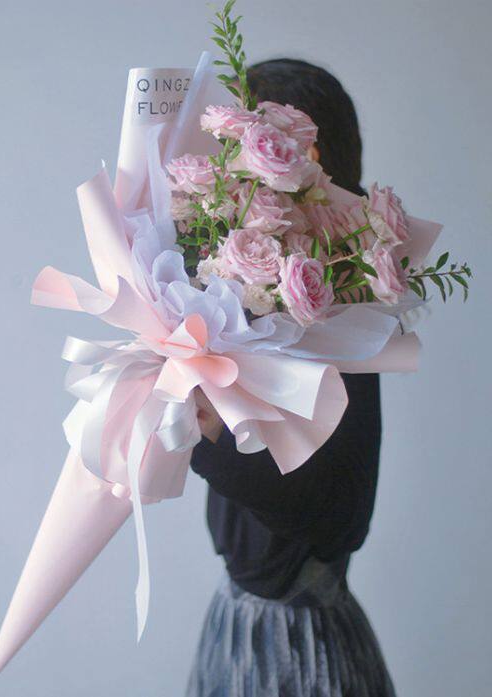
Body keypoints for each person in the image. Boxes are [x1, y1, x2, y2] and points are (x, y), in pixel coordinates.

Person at [186, 59, 397, 697]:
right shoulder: (255, 298)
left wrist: (206, 435)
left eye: (246, 147)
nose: (230, 168)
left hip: (300, 653)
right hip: (239, 627)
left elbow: (339, 518)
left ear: (309, 162)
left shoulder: (343, 311)